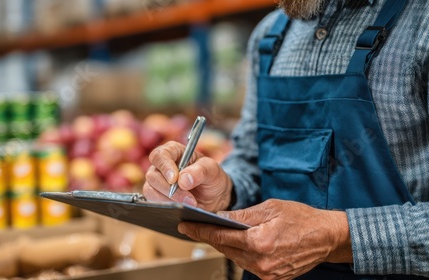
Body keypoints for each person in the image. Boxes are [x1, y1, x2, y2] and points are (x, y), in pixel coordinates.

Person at [143, 0, 429, 279]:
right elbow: (251, 160)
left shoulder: (420, 25)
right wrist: (225, 192)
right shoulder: (269, 36)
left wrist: (339, 235)